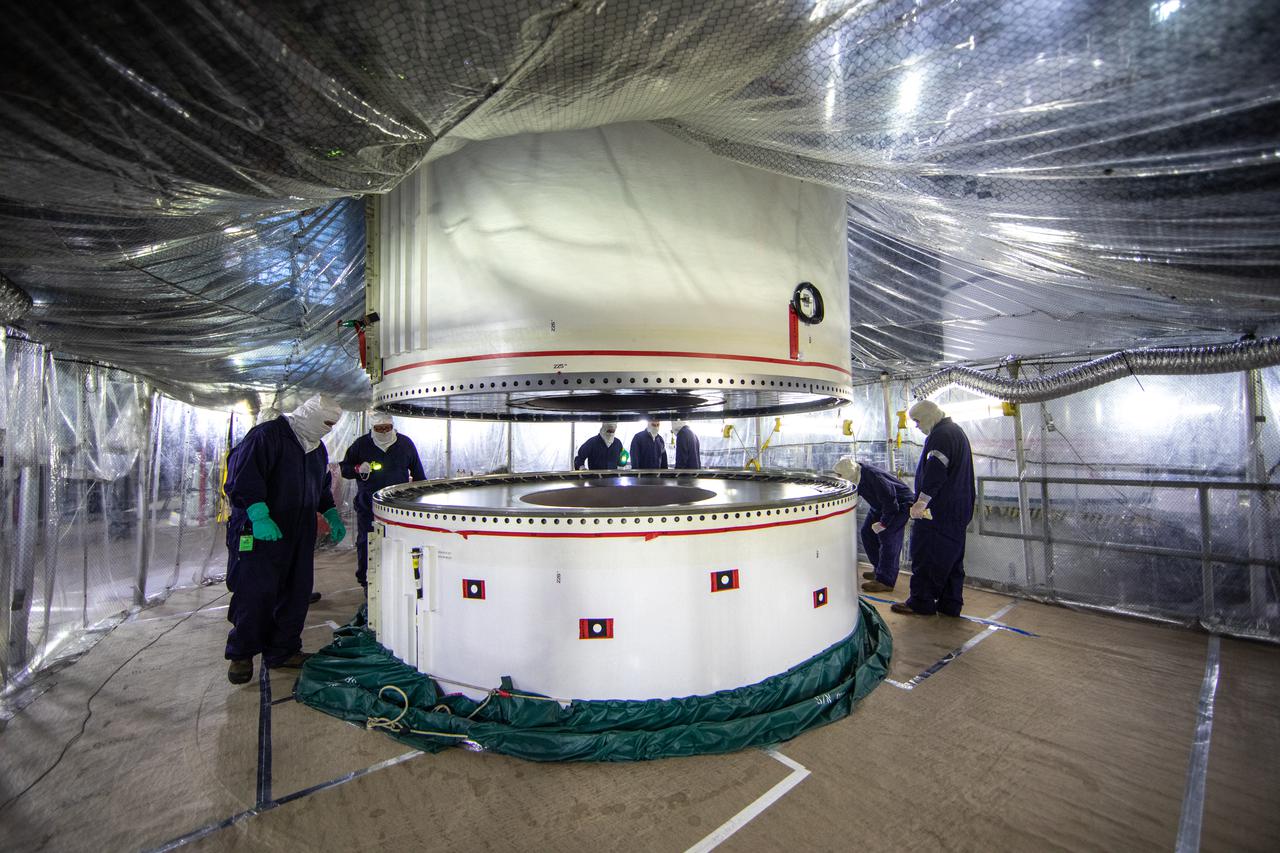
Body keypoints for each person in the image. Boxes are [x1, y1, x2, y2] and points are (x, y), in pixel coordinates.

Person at [223, 395, 347, 684]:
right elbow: (242, 477)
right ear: (310, 415)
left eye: (332, 426)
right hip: (260, 530)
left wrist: (330, 513)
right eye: (325, 423)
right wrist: (258, 514)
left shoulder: (316, 447)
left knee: (296, 592)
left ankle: (283, 650)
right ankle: (241, 653)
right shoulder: (267, 436)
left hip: (298, 531)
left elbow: (321, 486)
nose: (327, 429)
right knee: (255, 592)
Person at [893, 399, 976, 617]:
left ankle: (921, 601)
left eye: (918, 421)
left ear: (929, 416)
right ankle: (950, 604)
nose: (917, 426)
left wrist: (922, 501)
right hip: (958, 510)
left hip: (938, 511)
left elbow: (936, 471)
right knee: (952, 559)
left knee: (927, 555)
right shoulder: (956, 432)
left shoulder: (941, 435)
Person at [339, 411, 426, 589]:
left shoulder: (405, 444)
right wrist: (357, 468)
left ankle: (399, 577)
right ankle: (367, 579)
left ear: (393, 427)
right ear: (373, 428)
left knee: (398, 540)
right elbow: (344, 469)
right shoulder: (361, 445)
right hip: (368, 503)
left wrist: (419, 499)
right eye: (380, 429)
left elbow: (418, 474)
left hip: (399, 503)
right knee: (367, 540)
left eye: (388, 428)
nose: (385, 432)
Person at [834, 457, 912, 593]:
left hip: (899, 505)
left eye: (840, 475)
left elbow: (890, 501)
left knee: (888, 537)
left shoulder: (874, 477)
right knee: (867, 533)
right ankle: (878, 569)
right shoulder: (856, 473)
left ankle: (885, 580)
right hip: (880, 505)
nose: (838, 477)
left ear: (849, 473)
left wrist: (884, 523)